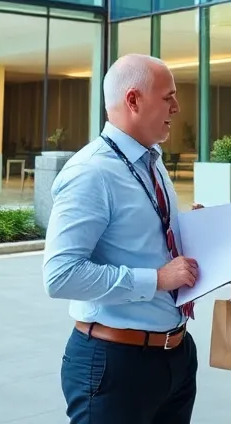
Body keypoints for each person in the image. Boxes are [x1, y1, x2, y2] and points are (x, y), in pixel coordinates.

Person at [43, 54, 200, 423]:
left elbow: (145, 237)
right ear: (133, 100)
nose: (177, 107)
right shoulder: (91, 172)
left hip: (175, 355)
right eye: (169, 97)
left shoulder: (152, 161)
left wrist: (187, 229)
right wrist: (158, 280)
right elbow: (60, 275)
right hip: (115, 364)